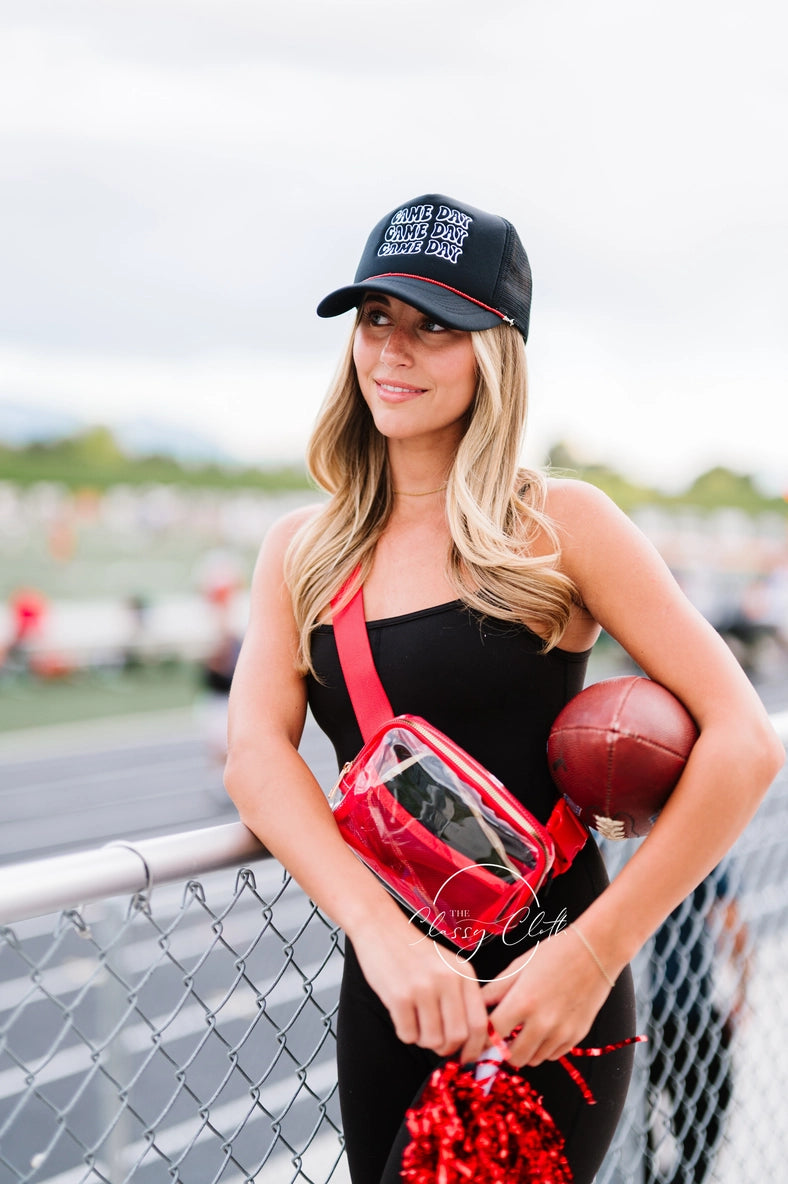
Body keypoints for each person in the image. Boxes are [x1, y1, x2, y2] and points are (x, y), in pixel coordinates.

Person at [224, 193, 783, 1184]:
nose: (392, 350)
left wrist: (595, 951)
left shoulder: (558, 521)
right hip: (392, 989)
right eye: (375, 319)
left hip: (547, 993)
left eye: (432, 325)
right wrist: (379, 937)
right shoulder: (297, 550)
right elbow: (257, 756)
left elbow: (743, 738)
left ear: (496, 348)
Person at [646, 864, 751, 1184]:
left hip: (675, 1013)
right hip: (674, 1012)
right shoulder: (690, 839)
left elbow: (731, 918)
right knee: (700, 1119)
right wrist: (741, 991)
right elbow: (732, 920)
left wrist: (741, 992)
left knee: (703, 1111)